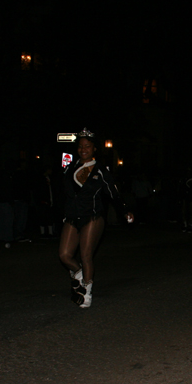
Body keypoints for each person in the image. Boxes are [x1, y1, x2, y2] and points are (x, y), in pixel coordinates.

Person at [59, 129, 133, 308]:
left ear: (94, 149)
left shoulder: (101, 170)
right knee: (64, 255)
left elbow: (114, 193)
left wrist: (124, 211)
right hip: (72, 216)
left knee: (85, 254)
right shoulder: (70, 167)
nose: (83, 149)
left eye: (87, 146)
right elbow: (65, 192)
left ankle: (87, 290)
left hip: (92, 216)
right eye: (81, 146)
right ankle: (78, 272)